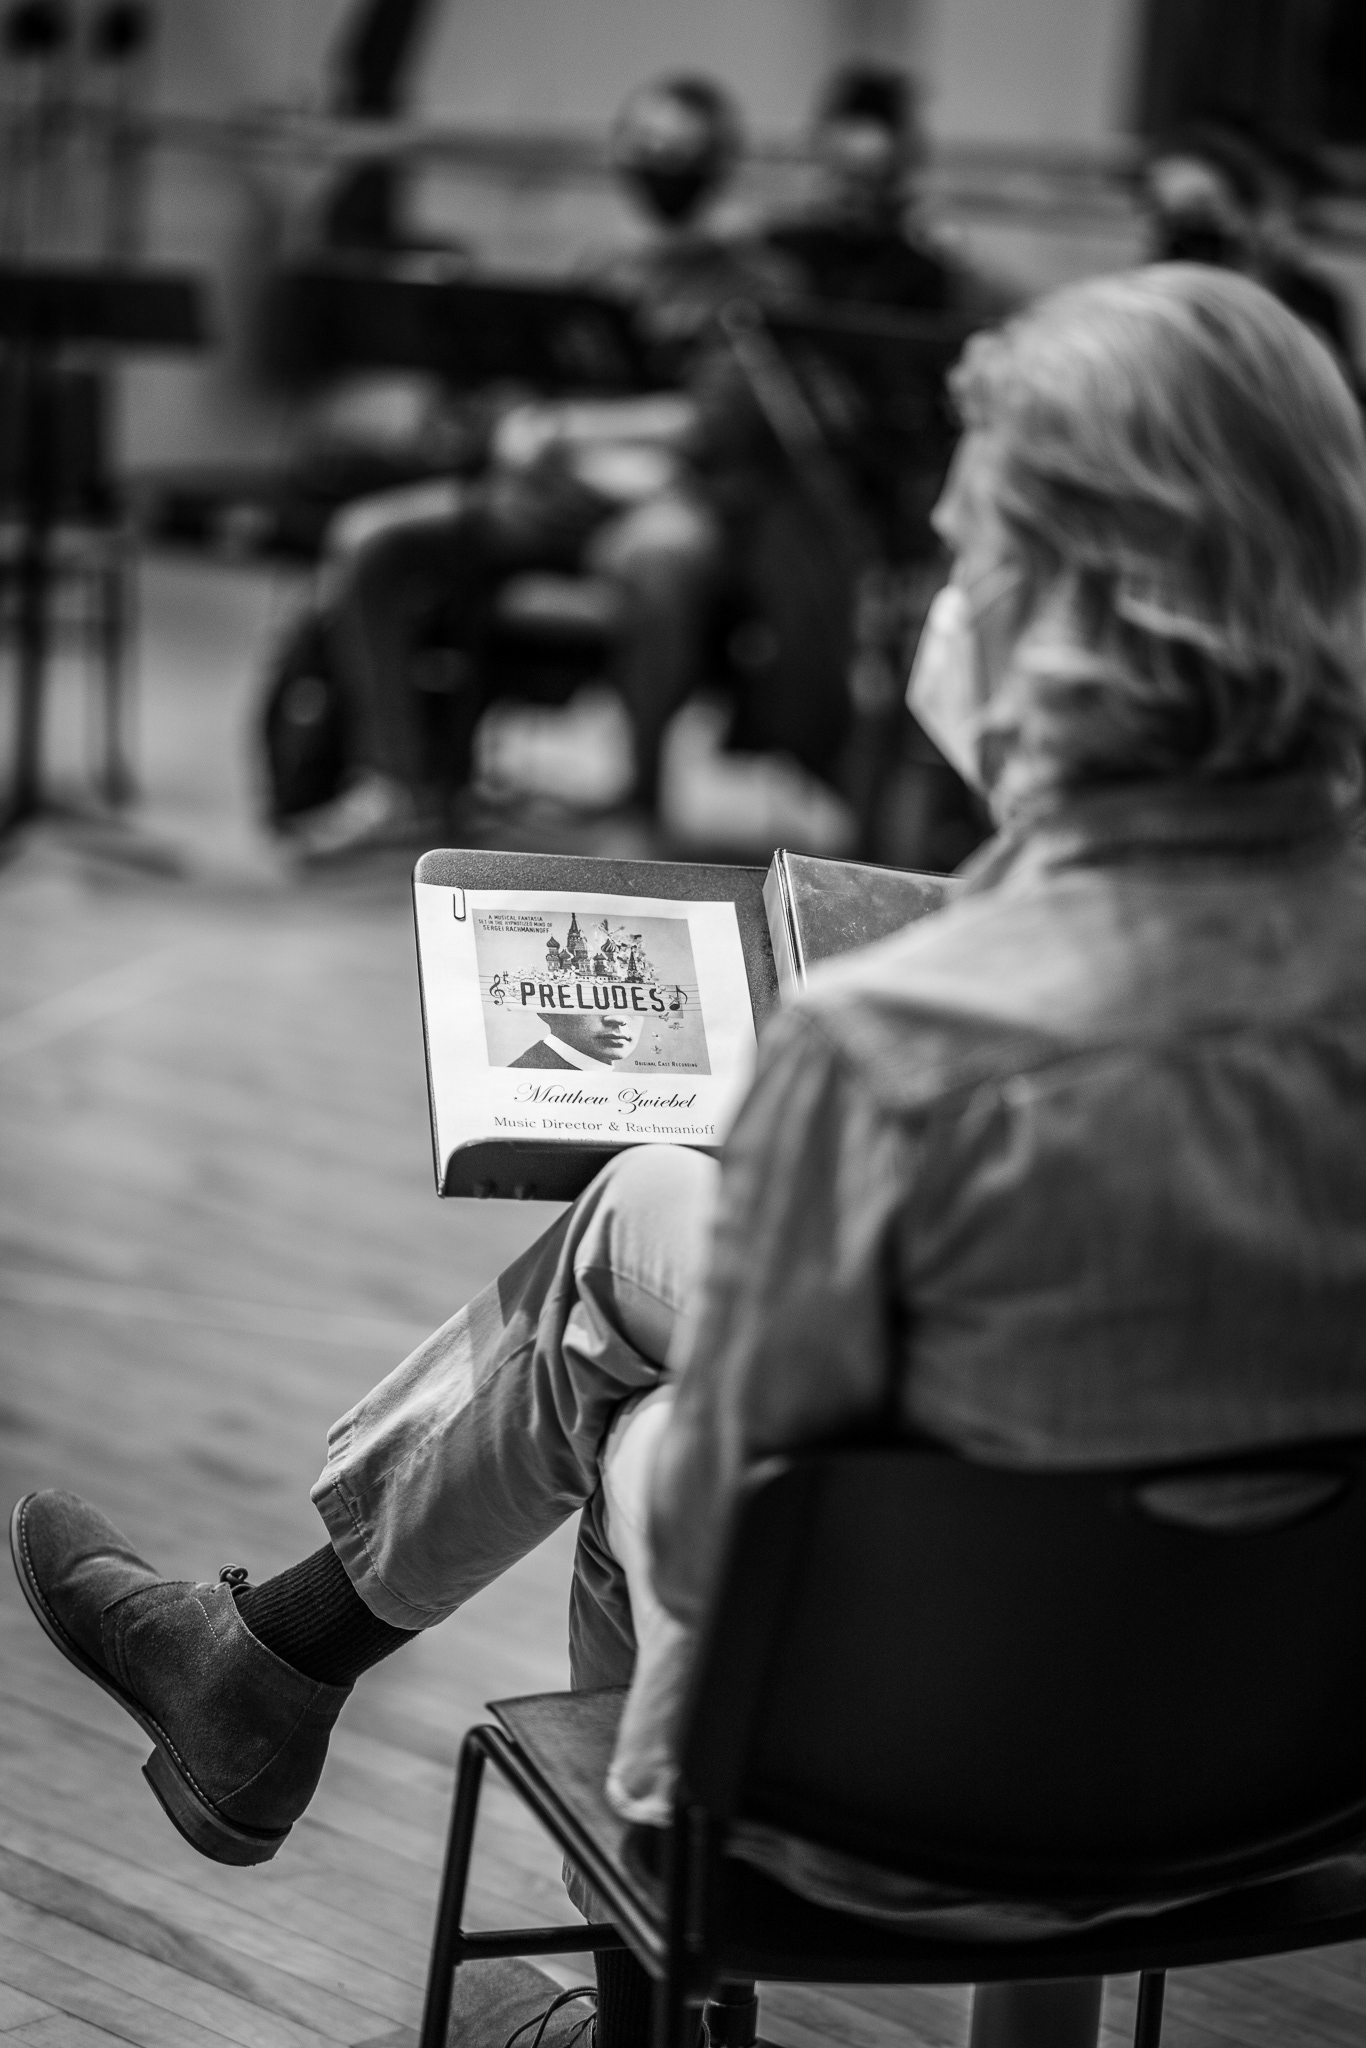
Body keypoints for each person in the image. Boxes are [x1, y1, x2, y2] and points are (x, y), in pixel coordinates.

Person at [14, 266, 1366, 2048]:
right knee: (838, 1317)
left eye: (966, 552)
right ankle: (261, 1663)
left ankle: (586, 1972)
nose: (936, 605)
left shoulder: (901, 1048)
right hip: (1280, 1787)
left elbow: (764, 1576)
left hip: (881, 1810)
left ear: (1066, 613)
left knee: (629, 1394)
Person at [291, 72, 796, 858]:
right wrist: (523, 422)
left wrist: (570, 425)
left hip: (667, 502)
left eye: (681, 148)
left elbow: (709, 423)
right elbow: (530, 384)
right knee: (372, 539)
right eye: (647, 144)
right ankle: (398, 786)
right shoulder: (602, 267)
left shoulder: (758, 281)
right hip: (558, 495)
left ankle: (638, 802)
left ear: (721, 160)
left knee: (663, 555)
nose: (661, 160)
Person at [1143, 120, 1359, 374]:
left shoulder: (1308, 302)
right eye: (1165, 213)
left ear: (1247, 212)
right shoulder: (1141, 301)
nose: (1182, 230)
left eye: (1200, 211)